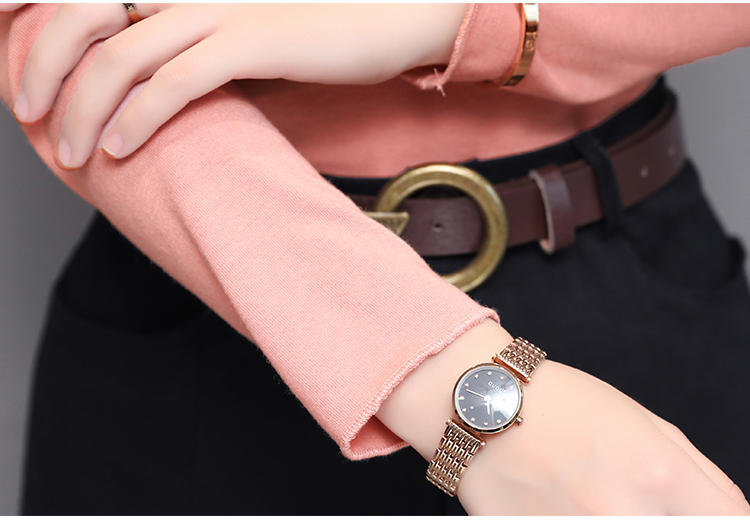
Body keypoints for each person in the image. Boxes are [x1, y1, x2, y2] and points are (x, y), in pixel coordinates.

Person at [1, 3, 750, 515]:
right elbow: (60, 38)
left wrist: (457, 17)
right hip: (204, 303)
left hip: (635, 291)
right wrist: (449, 382)